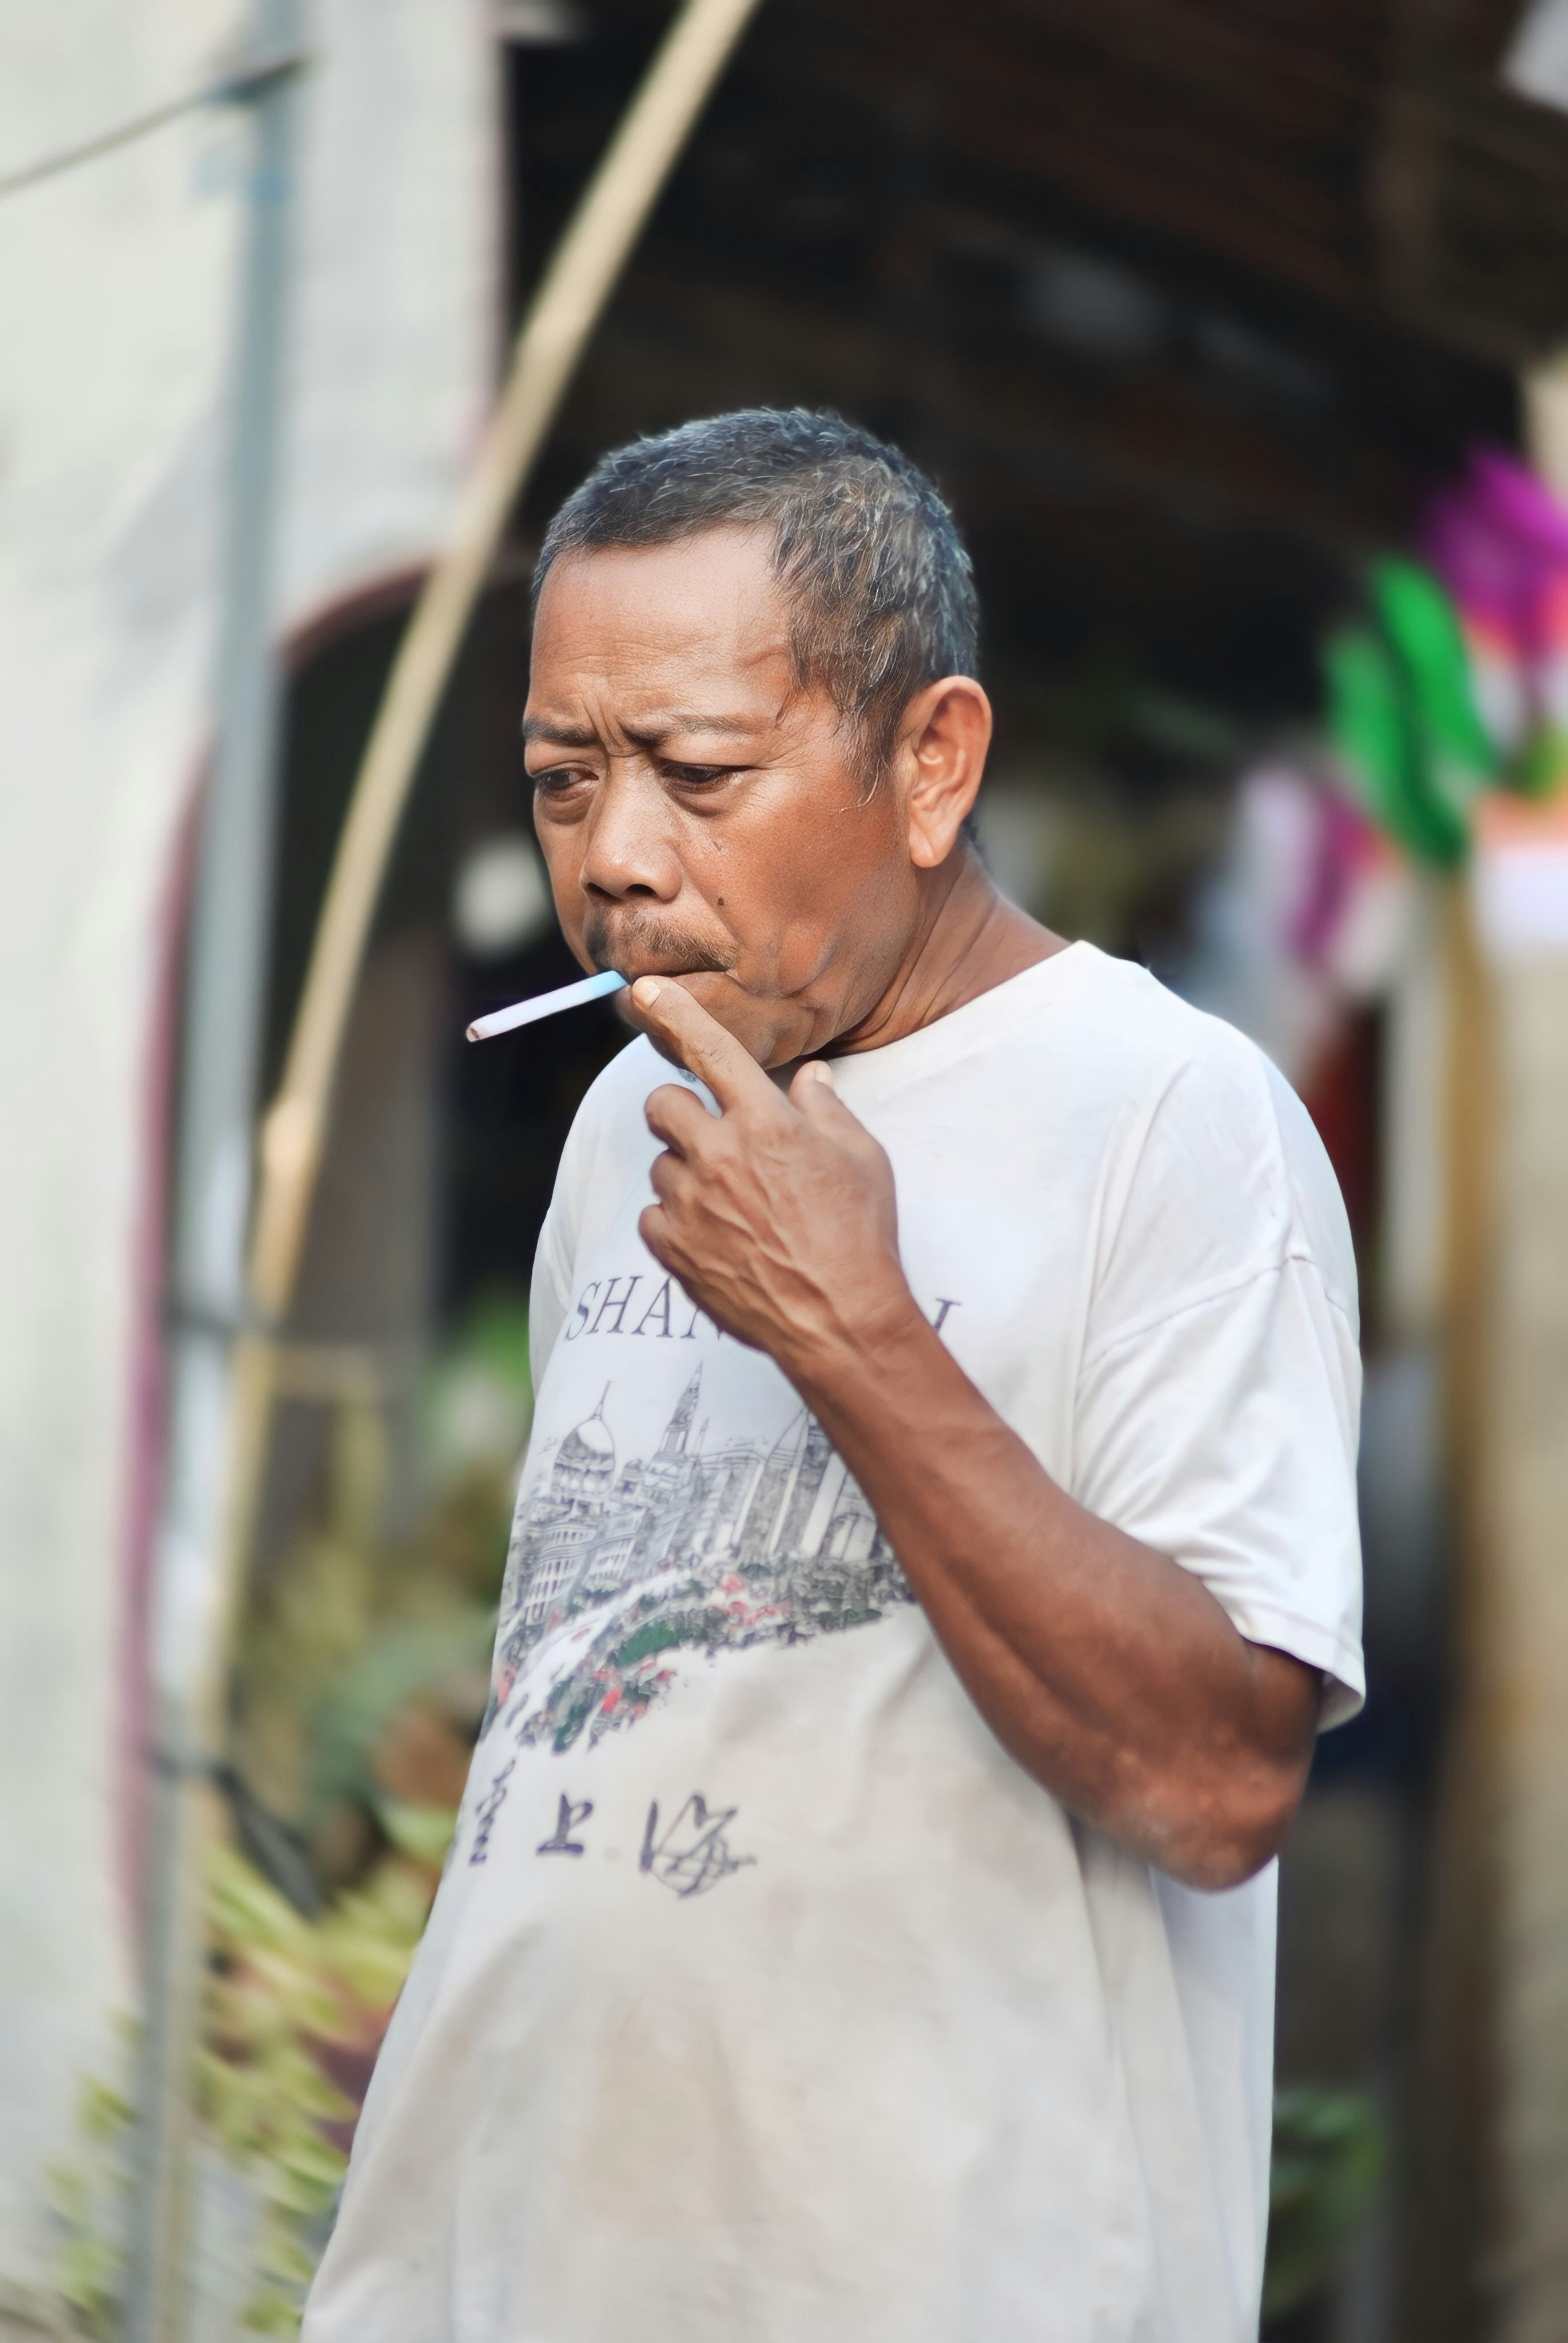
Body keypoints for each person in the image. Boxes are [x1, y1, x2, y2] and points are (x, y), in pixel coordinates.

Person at [304, 410, 1362, 2342]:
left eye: (700, 773)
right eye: (562, 781)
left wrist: (849, 1329)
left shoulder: (1170, 1121)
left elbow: (1220, 1780)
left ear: (931, 762)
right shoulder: (627, 1120)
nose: (617, 860)